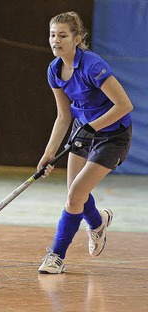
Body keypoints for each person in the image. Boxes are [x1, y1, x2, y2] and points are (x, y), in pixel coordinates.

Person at [37, 11, 133, 274]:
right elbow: (63, 116)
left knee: (76, 194)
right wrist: (48, 154)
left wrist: (91, 127)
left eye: (63, 36)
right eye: (52, 35)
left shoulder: (92, 66)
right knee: (75, 195)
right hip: (82, 131)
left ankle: (56, 255)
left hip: (112, 134)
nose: (56, 40)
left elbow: (124, 105)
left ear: (77, 39)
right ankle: (98, 222)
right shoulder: (54, 70)